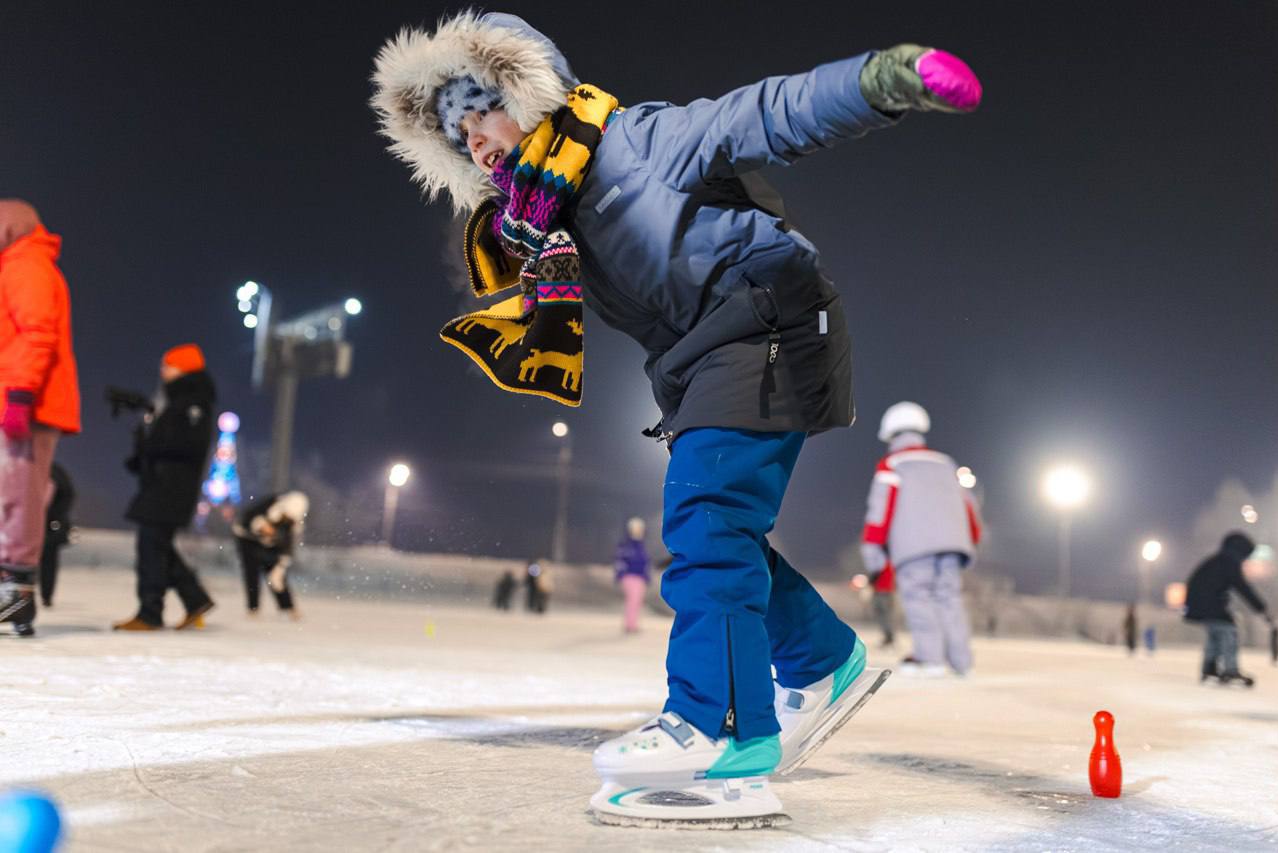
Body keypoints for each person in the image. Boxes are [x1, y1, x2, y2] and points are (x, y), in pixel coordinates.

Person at [371, 13, 980, 826]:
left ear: (525, 92)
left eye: (479, 111)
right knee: (721, 530)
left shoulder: (639, 141)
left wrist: (881, 79)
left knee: (706, 518)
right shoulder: (544, 217)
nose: (474, 142)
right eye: (458, 135)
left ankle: (720, 728)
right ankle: (823, 659)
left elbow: (768, 112)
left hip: (764, 317)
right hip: (707, 355)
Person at [0, 201, 80, 638]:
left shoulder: (26, 265)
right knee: (10, 494)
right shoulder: (17, 264)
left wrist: (19, 394)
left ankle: (17, 592)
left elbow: (37, 333)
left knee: (19, 495)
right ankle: (11, 589)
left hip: (29, 403)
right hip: (20, 399)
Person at [861, 402, 981, 677]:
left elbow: (879, 512)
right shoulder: (946, 463)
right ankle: (961, 662)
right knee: (949, 598)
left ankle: (930, 659)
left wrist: (873, 551)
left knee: (919, 597)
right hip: (953, 545)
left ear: (891, 434)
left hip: (914, 547)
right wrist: (970, 540)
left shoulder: (891, 465)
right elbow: (969, 507)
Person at [113, 344, 217, 631]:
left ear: (183, 369)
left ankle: (150, 612)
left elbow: (186, 444)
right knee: (156, 545)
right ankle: (194, 599)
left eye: (168, 365)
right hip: (161, 483)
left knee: (151, 546)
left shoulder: (193, 401)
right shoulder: (175, 399)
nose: (163, 371)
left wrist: (151, 444)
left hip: (172, 487)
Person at [1184, 532, 1272, 687]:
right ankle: (1230, 670)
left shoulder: (1218, 560)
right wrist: (1262, 608)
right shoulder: (1229, 562)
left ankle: (1209, 669)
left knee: (1216, 634)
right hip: (1208, 603)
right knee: (1228, 630)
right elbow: (1243, 588)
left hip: (1200, 603)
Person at [232, 491, 308, 619]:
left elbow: (286, 549)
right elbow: (246, 519)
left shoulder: (290, 524)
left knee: (276, 576)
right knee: (251, 573)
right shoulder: (270, 503)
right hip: (248, 540)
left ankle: (288, 607)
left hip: (271, 546)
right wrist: (259, 526)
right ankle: (253, 608)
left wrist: (280, 568)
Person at [39, 463, 75, 608]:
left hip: (49, 524)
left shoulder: (53, 471)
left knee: (48, 560)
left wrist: (54, 518)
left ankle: (46, 596)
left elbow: (67, 495)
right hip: (40, 522)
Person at [614, 517, 651, 634]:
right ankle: (630, 625)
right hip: (629, 576)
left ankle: (632, 624)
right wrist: (620, 574)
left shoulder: (641, 545)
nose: (638, 530)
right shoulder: (626, 545)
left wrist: (646, 577)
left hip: (640, 578)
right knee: (632, 600)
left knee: (637, 601)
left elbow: (645, 563)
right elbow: (619, 560)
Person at [869, 564, 897, 648]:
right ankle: (889, 636)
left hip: (881, 591)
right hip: (889, 591)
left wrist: (871, 582)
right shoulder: (892, 563)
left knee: (882, 614)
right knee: (887, 615)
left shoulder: (881, 563)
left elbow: (874, 576)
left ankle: (888, 636)